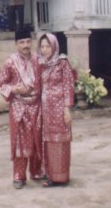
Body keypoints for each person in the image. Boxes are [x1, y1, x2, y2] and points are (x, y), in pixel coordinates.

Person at [0, 30, 42, 189]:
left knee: (38, 139)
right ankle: (19, 175)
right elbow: (1, 84)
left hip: (37, 104)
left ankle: (36, 171)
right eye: (22, 42)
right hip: (19, 106)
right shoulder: (10, 62)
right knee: (20, 141)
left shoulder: (38, 59)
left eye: (28, 42)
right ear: (16, 44)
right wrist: (14, 89)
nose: (25, 45)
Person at [37, 33, 75, 187]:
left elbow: (68, 85)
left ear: (54, 47)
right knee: (48, 142)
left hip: (59, 110)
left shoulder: (62, 63)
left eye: (48, 46)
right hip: (46, 110)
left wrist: (67, 109)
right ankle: (50, 175)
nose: (45, 50)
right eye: (43, 46)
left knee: (61, 141)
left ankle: (61, 176)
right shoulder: (40, 64)